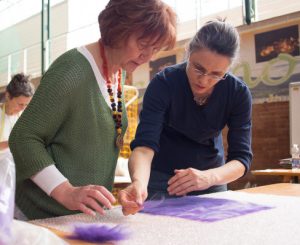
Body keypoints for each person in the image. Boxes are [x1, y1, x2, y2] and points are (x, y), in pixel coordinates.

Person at [9, 0, 176, 220]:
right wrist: (65, 191)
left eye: (155, 49)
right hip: (39, 217)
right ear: (119, 29)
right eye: (143, 44)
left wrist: (133, 185)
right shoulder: (72, 70)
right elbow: (23, 138)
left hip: (77, 218)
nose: (149, 56)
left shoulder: (118, 73)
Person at [119, 19, 253, 215]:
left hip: (211, 180)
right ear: (188, 53)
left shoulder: (238, 93)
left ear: (228, 70)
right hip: (159, 180)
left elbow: (241, 159)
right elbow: (144, 146)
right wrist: (139, 182)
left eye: (216, 74)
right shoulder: (164, 83)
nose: (204, 80)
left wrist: (209, 178)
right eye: (198, 68)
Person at [0, 73, 34, 157]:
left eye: (26, 104)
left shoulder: (25, 117)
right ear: (8, 96)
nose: (23, 108)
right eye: (20, 104)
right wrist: (11, 143)